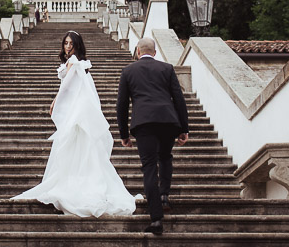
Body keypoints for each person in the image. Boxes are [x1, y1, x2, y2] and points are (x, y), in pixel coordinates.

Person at [12, 31, 137, 217]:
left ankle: (75, 185)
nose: (68, 46)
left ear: (77, 45)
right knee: (82, 149)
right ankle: (82, 181)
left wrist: (54, 101)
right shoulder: (82, 65)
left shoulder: (74, 63)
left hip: (77, 112)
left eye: (71, 43)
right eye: (66, 43)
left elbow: (66, 87)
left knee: (73, 146)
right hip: (80, 110)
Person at [116, 37, 189, 235]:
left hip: (144, 123)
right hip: (168, 120)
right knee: (165, 157)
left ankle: (156, 219)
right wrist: (184, 128)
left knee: (149, 166)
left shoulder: (128, 71)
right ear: (154, 52)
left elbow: (121, 105)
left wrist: (123, 134)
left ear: (138, 52)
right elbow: (179, 99)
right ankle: (164, 195)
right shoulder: (166, 68)